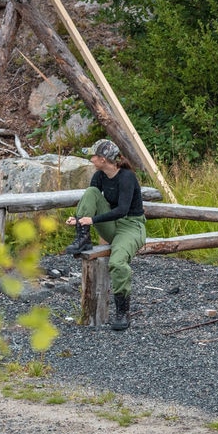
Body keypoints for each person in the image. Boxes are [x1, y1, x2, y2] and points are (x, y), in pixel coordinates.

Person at [63, 138, 146, 331]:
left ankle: (122, 312)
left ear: (102, 158)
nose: (90, 159)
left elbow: (123, 210)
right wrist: (79, 219)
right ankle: (82, 237)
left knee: (117, 263)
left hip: (131, 226)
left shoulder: (127, 177)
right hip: (112, 225)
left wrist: (92, 220)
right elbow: (91, 201)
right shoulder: (99, 176)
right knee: (91, 192)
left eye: (93, 155)